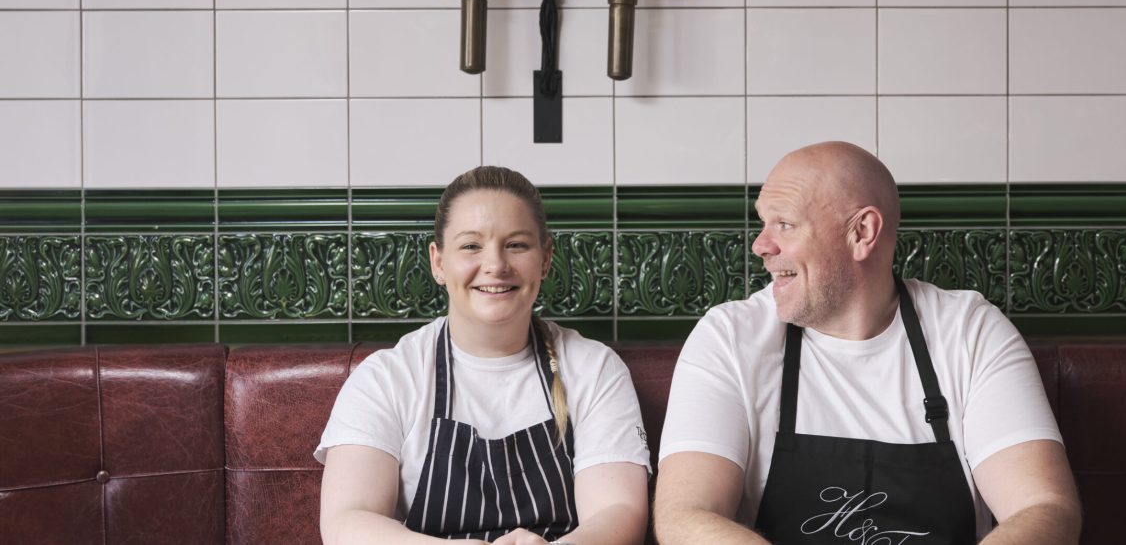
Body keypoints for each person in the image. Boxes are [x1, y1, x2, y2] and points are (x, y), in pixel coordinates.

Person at [654, 142, 1081, 545]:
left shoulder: (969, 331)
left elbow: (1044, 507)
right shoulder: (729, 338)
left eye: (784, 223)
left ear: (862, 232)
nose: (761, 245)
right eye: (764, 222)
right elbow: (684, 517)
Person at [317, 166, 650, 545]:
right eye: (471, 246)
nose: (495, 265)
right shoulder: (387, 378)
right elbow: (348, 522)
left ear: (545, 258)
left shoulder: (595, 370)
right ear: (438, 262)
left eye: (517, 245)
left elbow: (618, 514)